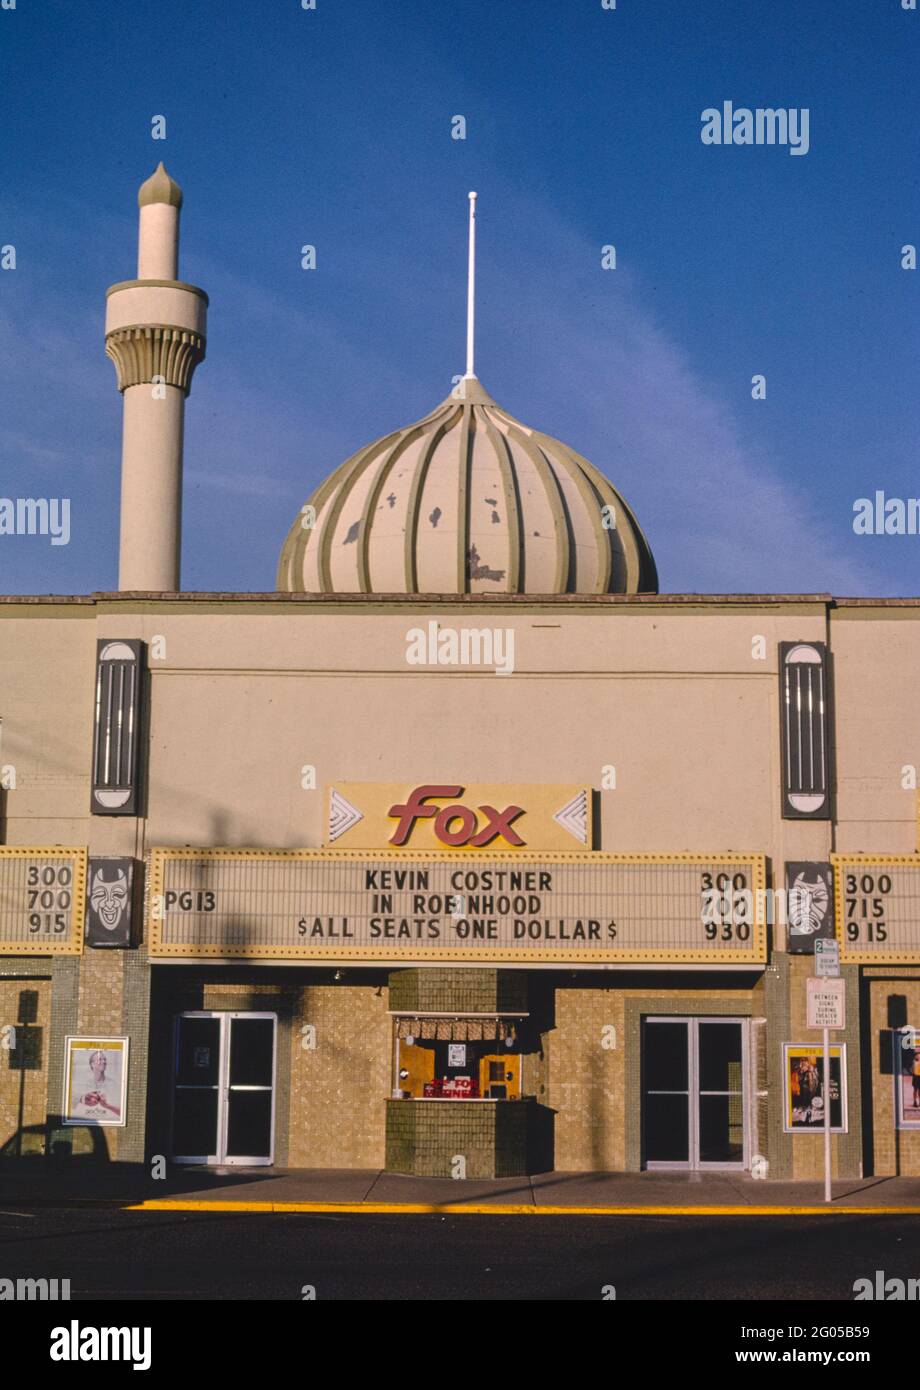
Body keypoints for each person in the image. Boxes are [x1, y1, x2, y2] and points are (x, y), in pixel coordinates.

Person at [73, 1048, 121, 1119]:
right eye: (100, 1059)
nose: (104, 1061)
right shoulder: (84, 1084)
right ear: (92, 1064)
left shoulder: (113, 1084)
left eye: (105, 1059)